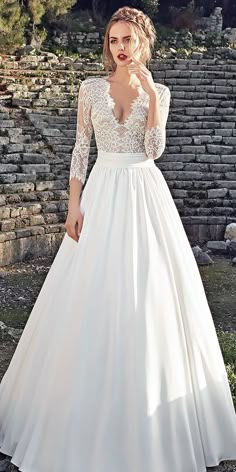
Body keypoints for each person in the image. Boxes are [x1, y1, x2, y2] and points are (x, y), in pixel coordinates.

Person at [0, 6, 236, 472]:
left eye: (128, 39)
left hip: (145, 193)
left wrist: (150, 94)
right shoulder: (91, 88)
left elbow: (153, 151)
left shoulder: (160, 91)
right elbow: (81, 147)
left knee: (149, 295)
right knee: (90, 290)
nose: (120, 47)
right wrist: (74, 203)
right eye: (113, 40)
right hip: (102, 191)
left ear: (144, 42)